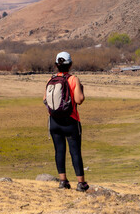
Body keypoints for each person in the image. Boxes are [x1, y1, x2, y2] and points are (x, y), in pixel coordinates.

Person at [43, 51, 89, 192]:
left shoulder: (51, 79)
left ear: (57, 65)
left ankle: (63, 181)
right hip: (71, 121)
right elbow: (79, 100)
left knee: (59, 151)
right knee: (75, 152)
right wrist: (81, 89)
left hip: (54, 121)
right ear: (70, 65)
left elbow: (45, 100)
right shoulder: (73, 79)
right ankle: (81, 183)